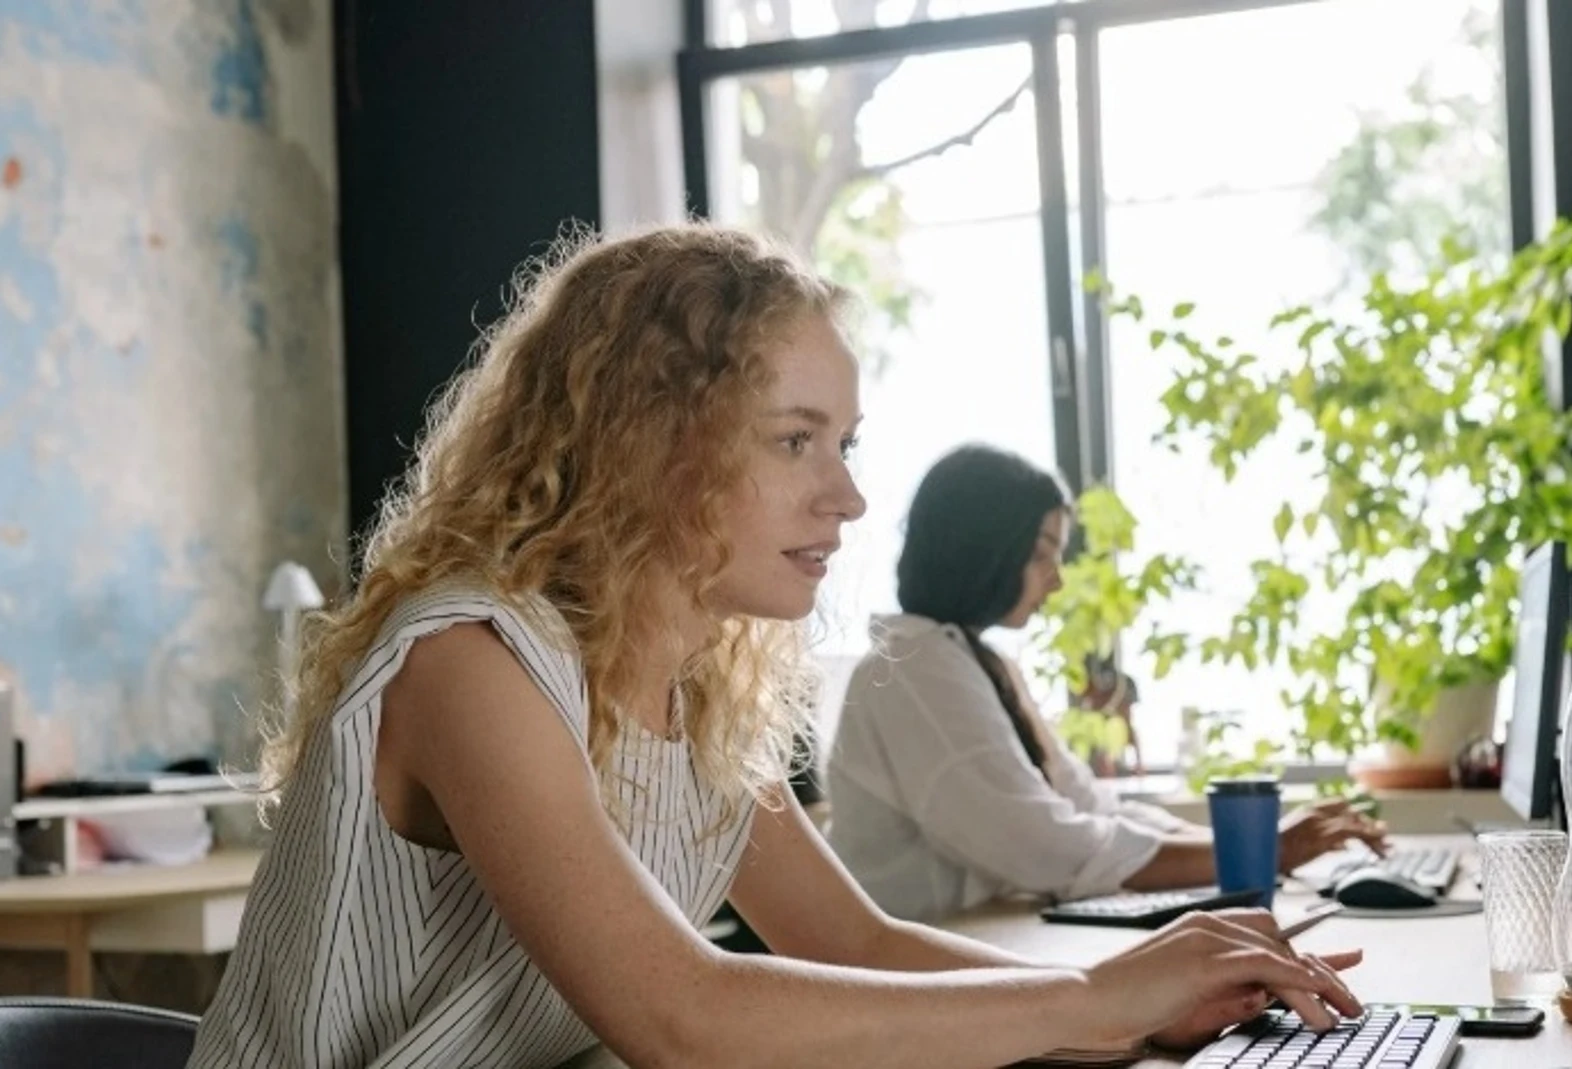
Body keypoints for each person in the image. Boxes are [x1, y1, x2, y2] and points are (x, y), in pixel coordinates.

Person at [185, 224, 1362, 1069]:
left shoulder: (694, 691)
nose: (847, 498)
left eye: (845, 440)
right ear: (651, 443)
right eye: (796, 441)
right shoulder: (472, 664)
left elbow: (850, 942)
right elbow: (682, 1018)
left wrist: (1128, 1010)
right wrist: (1092, 994)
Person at [825, 444, 1388, 924]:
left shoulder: (974, 662)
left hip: (984, 937)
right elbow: (1043, 847)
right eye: (1044, 552)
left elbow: (1086, 804)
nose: (1057, 578)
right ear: (985, 547)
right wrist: (1264, 852)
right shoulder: (911, 668)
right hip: (926, 966)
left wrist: (1258, 851)